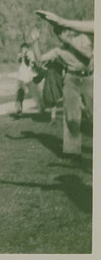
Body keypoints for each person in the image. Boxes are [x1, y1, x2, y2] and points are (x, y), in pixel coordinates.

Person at [35, 10, 93, 159]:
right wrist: (34, 42)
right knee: (71, 116)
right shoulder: (59, 51)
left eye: (64, 31)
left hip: (89, 78)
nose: (62, 35)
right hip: (71, 79)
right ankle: (73, 151)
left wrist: (69, 41)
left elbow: (87, 55)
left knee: (95, 113)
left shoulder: (82, 39)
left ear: (70, 31)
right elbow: (40, 58)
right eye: (59, 33)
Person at [15, 37, 44, 117]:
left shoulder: (31, 53)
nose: (24, 50)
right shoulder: (20, 55)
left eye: (25, 48)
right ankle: (18, 109)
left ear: (28, 48)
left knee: (36, 93)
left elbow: (33, 63)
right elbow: (18, 60)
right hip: (21, 76)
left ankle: (41, 109)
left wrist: (30, 59)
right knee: (19, 93)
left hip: (31, 76)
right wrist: (21, 56)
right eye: (22, 49)